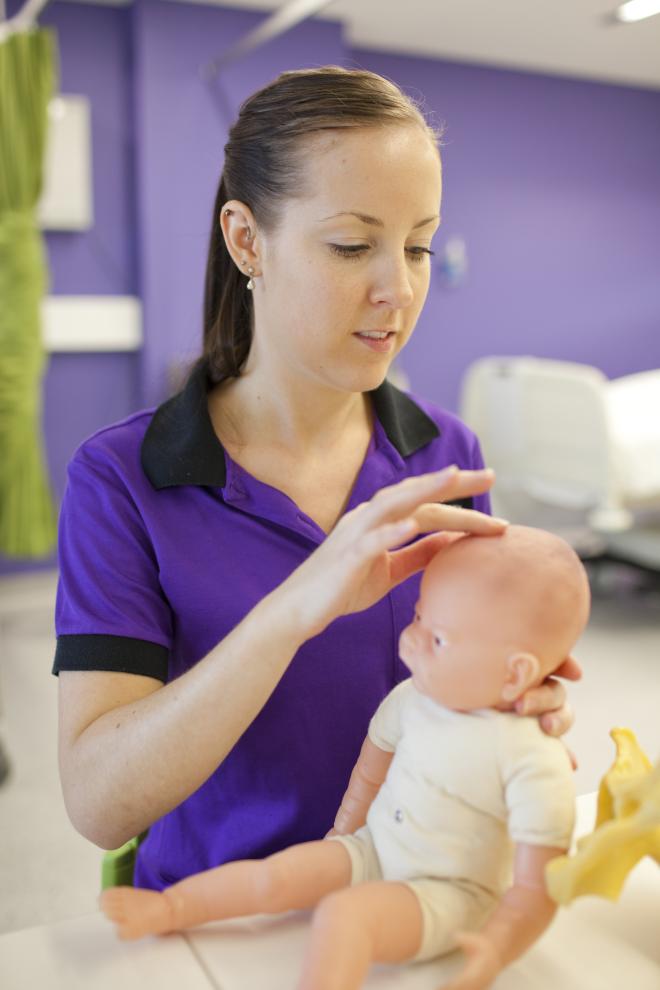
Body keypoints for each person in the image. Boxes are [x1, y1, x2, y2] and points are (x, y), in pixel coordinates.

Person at [54, 67, 579, 893]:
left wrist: (513, 706)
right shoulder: (121, 481)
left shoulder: (446, 451)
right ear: (246, 240)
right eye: (351, 245)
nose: (397, 290)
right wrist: (296, 609)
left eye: (416, 246)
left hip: (414, 904)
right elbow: (99, 803)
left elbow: (455, 698)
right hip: (217, 922)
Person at [99, 525, 589, 990]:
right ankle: (169, 910)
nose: (413, 640)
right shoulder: (411, 699)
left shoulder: (534, 759)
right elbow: (370, 770)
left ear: (515, 674)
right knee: (279, 874)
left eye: (438, 638)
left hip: (449, 893)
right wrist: (344, 834)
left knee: (344, 917)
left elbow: (537, 885)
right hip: (374, 848)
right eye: (418, 616)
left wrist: (495, 948)